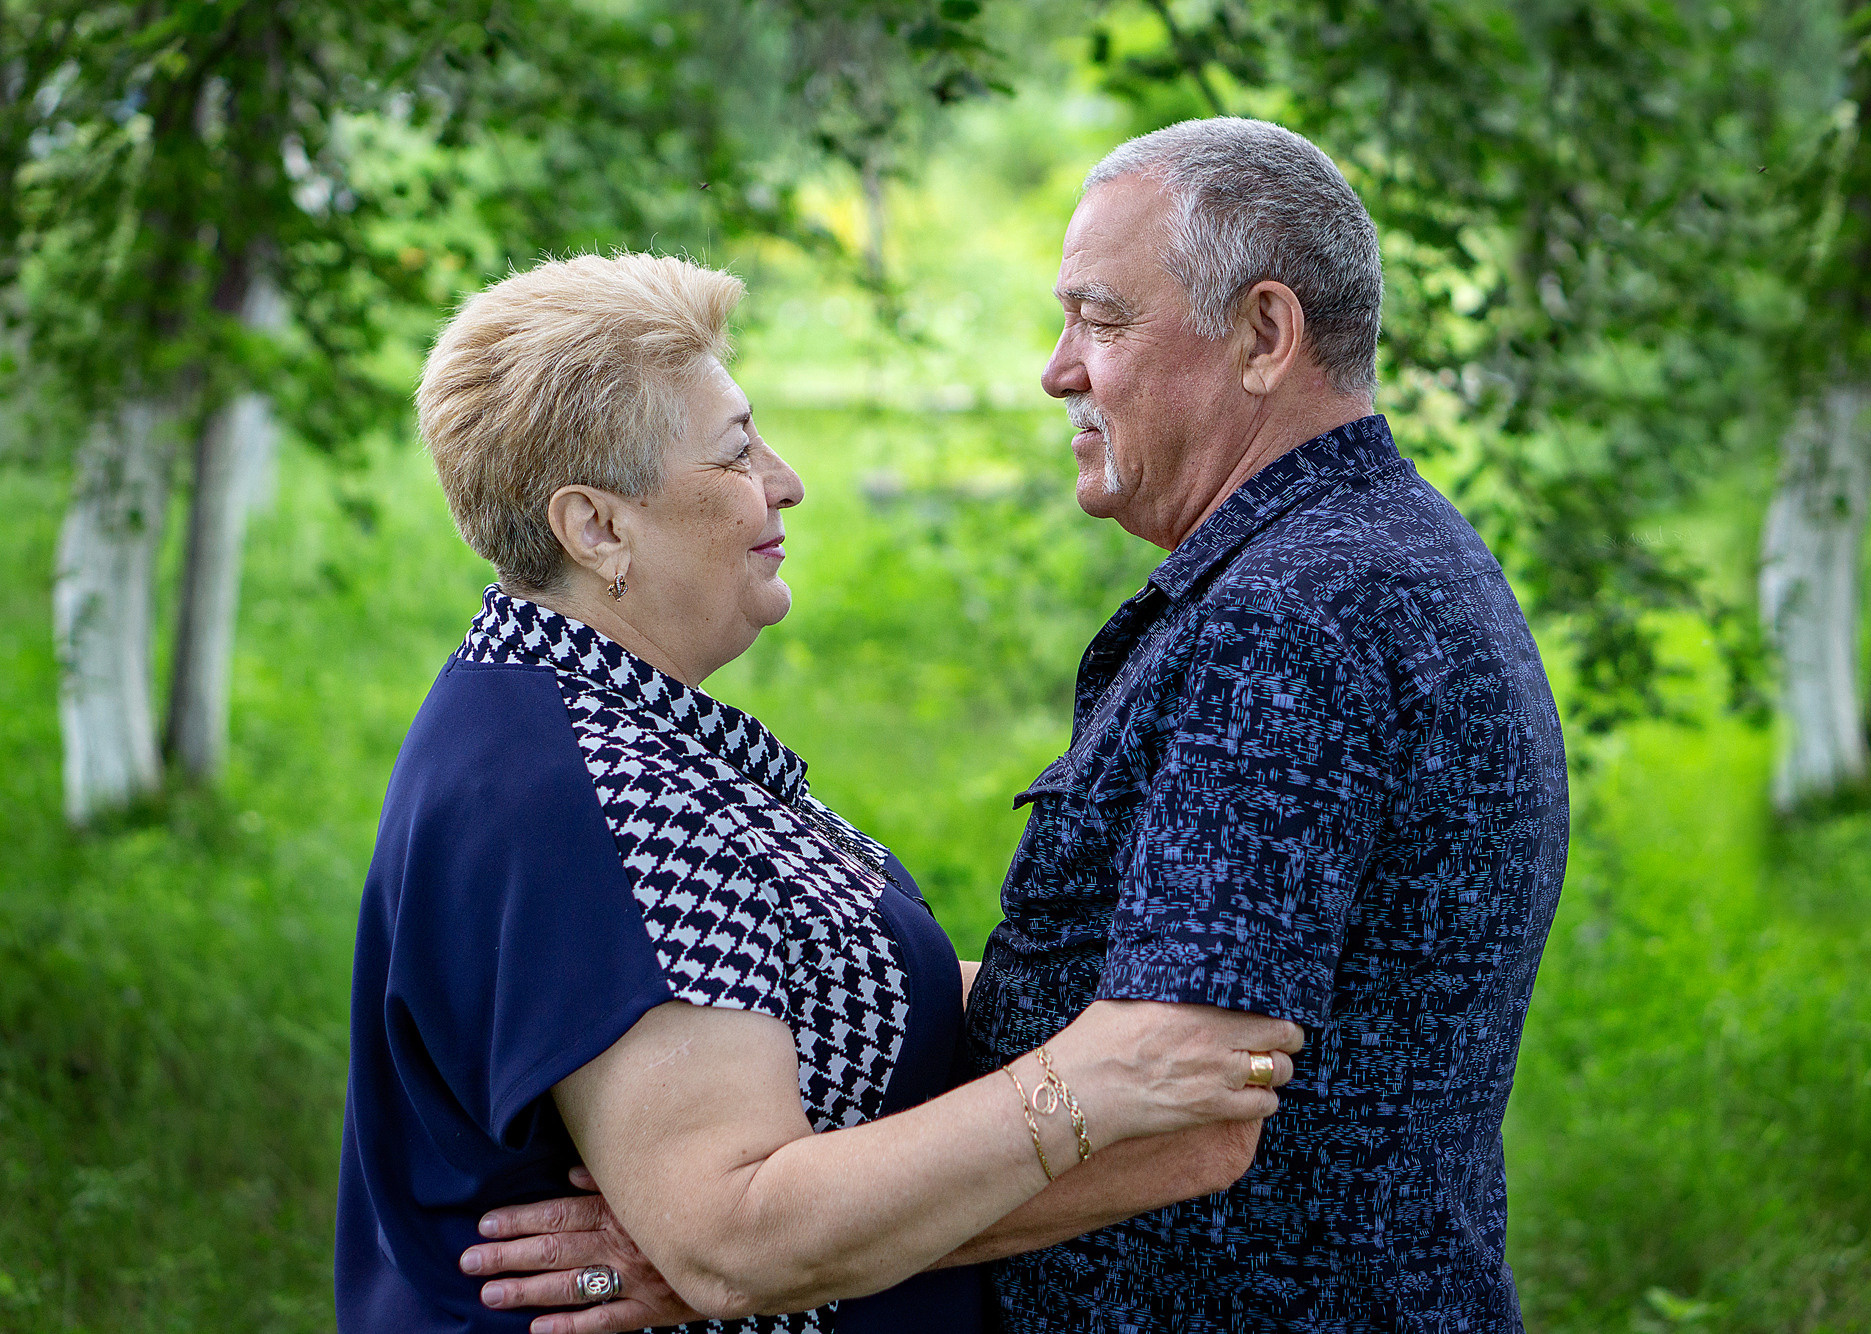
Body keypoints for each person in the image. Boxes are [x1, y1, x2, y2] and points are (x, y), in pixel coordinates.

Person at [483, 116, 1567, 1333]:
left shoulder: (1291, 623)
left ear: (1263, 334)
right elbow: (1152, 997)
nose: (1058, 368)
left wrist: (764, 1253)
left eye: (1102, 321)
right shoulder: (1362, 556)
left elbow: (1185, 1115)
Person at [334, 250, 1305, 1334]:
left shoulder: (603, 719)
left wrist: (1159, 1001)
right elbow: (733, 1236)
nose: (785, 480)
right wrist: (1090, 1081)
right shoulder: (583, 791)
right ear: (596, 526)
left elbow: (799, 1008)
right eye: (736, 451)